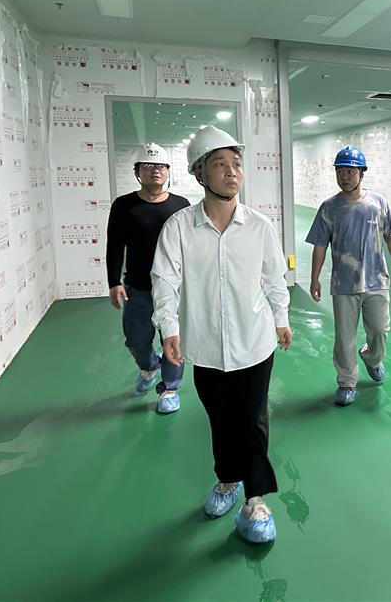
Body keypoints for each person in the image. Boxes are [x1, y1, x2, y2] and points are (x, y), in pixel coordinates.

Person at [151, 125, 291, 544]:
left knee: (253, 421)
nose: (232, 172)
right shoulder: (179, 227)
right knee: (221, 420)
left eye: (237, 164)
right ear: (199, 173)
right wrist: (169, 327)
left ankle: (255, 500)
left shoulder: (259, 226)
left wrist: (281, 319)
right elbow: (164, 280)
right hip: (206, 346)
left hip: (254, 342)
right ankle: (227, 479)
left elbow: (274, 278)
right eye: (220, 164)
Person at [306, 145, 391, 406]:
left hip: (376, 281)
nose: (345, 176)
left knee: (380, 331)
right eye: (340, 171)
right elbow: (319, 246)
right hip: (344, 285)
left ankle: (372, 357)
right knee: (344, 337)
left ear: (362, 173)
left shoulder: (378, 203)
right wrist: (314, 279)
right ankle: (346, 382)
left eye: (350, 171)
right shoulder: (329, 208)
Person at [106, 143, 189, 414]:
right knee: (136, 341)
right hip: (138, 287)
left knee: (173, 340)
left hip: (174, 288)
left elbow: (191, 247)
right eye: (148, 166)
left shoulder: (181, 205)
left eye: (161, 166)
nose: (155, 170)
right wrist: (114, 282)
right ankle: (149, 367)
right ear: (137, 172)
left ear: (168, 172)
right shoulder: (124, 205)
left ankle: (170, 389)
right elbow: (114, 245)